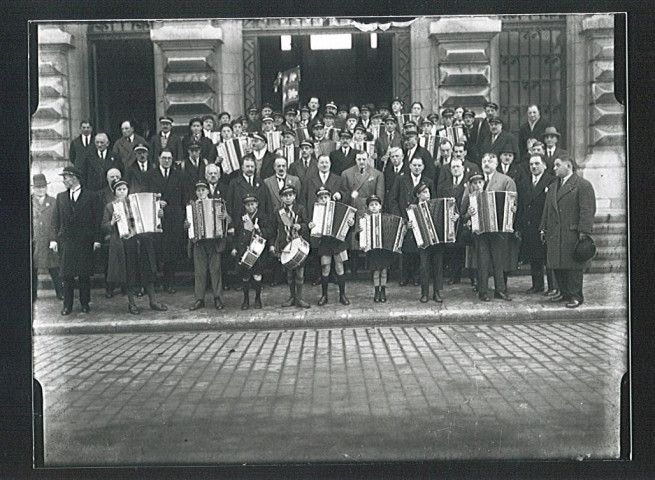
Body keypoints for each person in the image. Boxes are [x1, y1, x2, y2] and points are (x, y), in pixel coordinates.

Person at [102, 179, 167, 314]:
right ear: (114, 192)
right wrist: (113, 222)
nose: (122, 192)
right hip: (125, 243)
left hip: (142, 240)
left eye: (124, 189)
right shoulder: (110, 207)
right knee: (129, 273)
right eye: (119, 190)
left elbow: (150, 216)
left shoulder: (135, 202)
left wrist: (158, 212)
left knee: (148, 270)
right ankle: (132, 304)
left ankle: (153, 301)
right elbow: (104, 227)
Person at [540, 156, 596, 308]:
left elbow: (587, 210)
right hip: (554, 232)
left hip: (572, 232)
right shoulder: (553, 186)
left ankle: (576, 296)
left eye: (558, 165)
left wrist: (584, 232)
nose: (554, 168)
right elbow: (547, 209)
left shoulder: (582, 185)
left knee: (573, 267)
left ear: (569, 166)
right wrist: (543, 228)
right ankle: (564, 293)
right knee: (558, 264)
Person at [461, 154, 517, 302]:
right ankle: (483, 291)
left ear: (497, 163)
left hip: (499, 230)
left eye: (490, 161)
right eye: (484, 161)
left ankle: (501, 290)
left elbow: (513, 203)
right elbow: (464, 207)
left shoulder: (506, 180)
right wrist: (469, 214)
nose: (487, 163)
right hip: (481, 229)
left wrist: (510, 215)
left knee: (499, 261)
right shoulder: (473, 182)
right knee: (482, 260)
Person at [49, 166, 102, 315]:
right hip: (66, 241)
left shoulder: (91, 196)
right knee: (67, 275)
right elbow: (55, 220)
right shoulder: (61, 197)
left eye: (65, 177)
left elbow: (96, 220)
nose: (64, 180)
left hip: (84, 240)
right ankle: (68, 306)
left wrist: (97, 239)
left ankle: (85, 303)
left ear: (74, 178)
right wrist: (53, 239)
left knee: (84, 274)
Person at [185, 181, 231, 311]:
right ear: (196, 193)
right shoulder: (192, 206)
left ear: (207, 191)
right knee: (199, 272)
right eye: (198, 191)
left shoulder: (217, 203)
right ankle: (199, 299)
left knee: (215, 270)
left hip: (214, 242)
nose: (201, 193)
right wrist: (187, 225)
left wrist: (225, 217)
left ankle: (218, 298)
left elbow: (229, 220)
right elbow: (188, 223)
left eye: (203, 190)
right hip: (199, 242)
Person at [146, 149, 188, 293]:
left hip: (173, 217)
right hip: (156, 216)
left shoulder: (179, 176)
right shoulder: (151, 175)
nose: (166, 160)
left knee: (172, 250)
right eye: (164, 158)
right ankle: (156, 281)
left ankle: (169, 282)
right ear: (158, 159)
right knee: (157, 249)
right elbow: (146, 196)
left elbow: (183, 198)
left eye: (169, 158)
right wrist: (157, 203)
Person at [517, 153, 558, 295]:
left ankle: (553, 287)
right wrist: (519, 227)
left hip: (544, 225)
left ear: (544, 165)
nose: (534, 167)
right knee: (535, 257)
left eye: (537, 164)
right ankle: (537, 285)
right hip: (529, 226)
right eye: (531, 164)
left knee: (548, 258)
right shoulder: (524, 183)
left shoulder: (552, 181)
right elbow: (521, 206)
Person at [389, 155, 433, 286]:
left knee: (419, 247)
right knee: (405, 249)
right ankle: (404, 276)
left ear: (423, 167)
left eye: (419, 165)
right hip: (405, 218)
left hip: (421, 221)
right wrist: (400, 218)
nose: (417, 168)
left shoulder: (428, 181)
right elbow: (393, 199)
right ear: (410, 166)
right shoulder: (401, 179)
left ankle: (417, 276)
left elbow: (432, 200)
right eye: (414, 165)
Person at [410, 182, 457, 303]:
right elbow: (411, 225)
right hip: (423, 241)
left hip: (438, 241)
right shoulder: (413, 208)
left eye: (428, 192)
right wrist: (410, 224)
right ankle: (424, 293)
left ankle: (437, 292)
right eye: (424, 192)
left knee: (438, 266)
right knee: (424, 267)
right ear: (418, 195)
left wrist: (454, 217)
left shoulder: (438, 204)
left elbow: (450, 215)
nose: (428, 194)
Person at [308, 187, 355, 306]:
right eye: (321, 198)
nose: (324, 200)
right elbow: (314, 230)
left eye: (326, 197)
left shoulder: (338, 208)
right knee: (325, 268)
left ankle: (342, 295)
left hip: (338, 242)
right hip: (325, 242)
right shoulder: (316, 211)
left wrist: (350, 224)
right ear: (318, 200)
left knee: (340, 267)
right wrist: (312, 226)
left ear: (330, 198)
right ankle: (324, 295)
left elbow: (348, 229)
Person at [341, 150, 385, 274]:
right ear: (355, 159)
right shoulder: (346, 173)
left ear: (368, 159)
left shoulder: (377, 174)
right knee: (354, 239)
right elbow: (345, 194)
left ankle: (372, 268)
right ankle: (353, 267)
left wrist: (375, 212)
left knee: (371, 239)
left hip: (370, 211)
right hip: (354, 210)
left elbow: (380, 196)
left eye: (364, 159)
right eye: (359, 159)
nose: (362, 162)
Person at [436, 157, 474, 286]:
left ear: (463, 168)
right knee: (452, 249)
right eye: (453, 167)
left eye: (458, 166)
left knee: (466, 249)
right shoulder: (445, 184)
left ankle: (472, 277)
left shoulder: (469, 184)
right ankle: (454, 275)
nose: (456, 169)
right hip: (450, 222)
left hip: (464, 221)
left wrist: (463, 216)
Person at [231, 193, 273, 309]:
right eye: (248, 205)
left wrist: (259, 230)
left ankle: (258, 299)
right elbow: (237, 235)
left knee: (257, 275)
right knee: (245, 276)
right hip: (244, 251)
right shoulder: (242, 218)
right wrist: (234, 248)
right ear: (245, 206)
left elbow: (270, 232)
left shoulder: (262, 217)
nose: (250, 207)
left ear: (257, 205)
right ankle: (246, 300)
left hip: (258, 252)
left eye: (252, 204)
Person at [271, 185, 311, 308]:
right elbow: (274, 230)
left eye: (290, 195)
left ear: (294, 196)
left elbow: (308, 224)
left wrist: (301, 226)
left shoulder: (300, 209)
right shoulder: (278, 211)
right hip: (286, 244)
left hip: (299, 244)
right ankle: (292, 297)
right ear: (281, 197)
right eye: (285, 196)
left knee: (300, 273)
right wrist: (273, 245)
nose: (288, 198)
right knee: (289, 273)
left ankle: (299, 298)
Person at [32, 173, 63, 301]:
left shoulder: (53, 202)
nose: (41, 189)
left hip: (49, 240)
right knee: (32, 269)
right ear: (34, 188)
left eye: (43, 186)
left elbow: (57, 222)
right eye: (38, 187)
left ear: (46, 187)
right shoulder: (29, 201)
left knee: (54, 268)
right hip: (34, 240)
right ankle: (32, 294)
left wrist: (54, 239)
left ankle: (60, 292)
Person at [360, 195, 393, 302]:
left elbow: (390, 231)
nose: (374, 207)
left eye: (376, 204)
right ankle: (376, 291)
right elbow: (359, 237)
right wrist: (362, 231)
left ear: (380, 206)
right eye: (371, 205)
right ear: (368, 207)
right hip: (373, 250)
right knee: (375, 271)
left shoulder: (385, 218)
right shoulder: (365, 219)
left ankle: (383, 291)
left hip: (383, 249)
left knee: (383, 271)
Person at [226, 154, 270, 222]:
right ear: (242, 168)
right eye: (247, 166)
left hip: (260, 224)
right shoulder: (234, 184)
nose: (250, 169)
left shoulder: (261, 184)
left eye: (252, 167)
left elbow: (267, 205)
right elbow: (229, 206)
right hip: (240, 223)